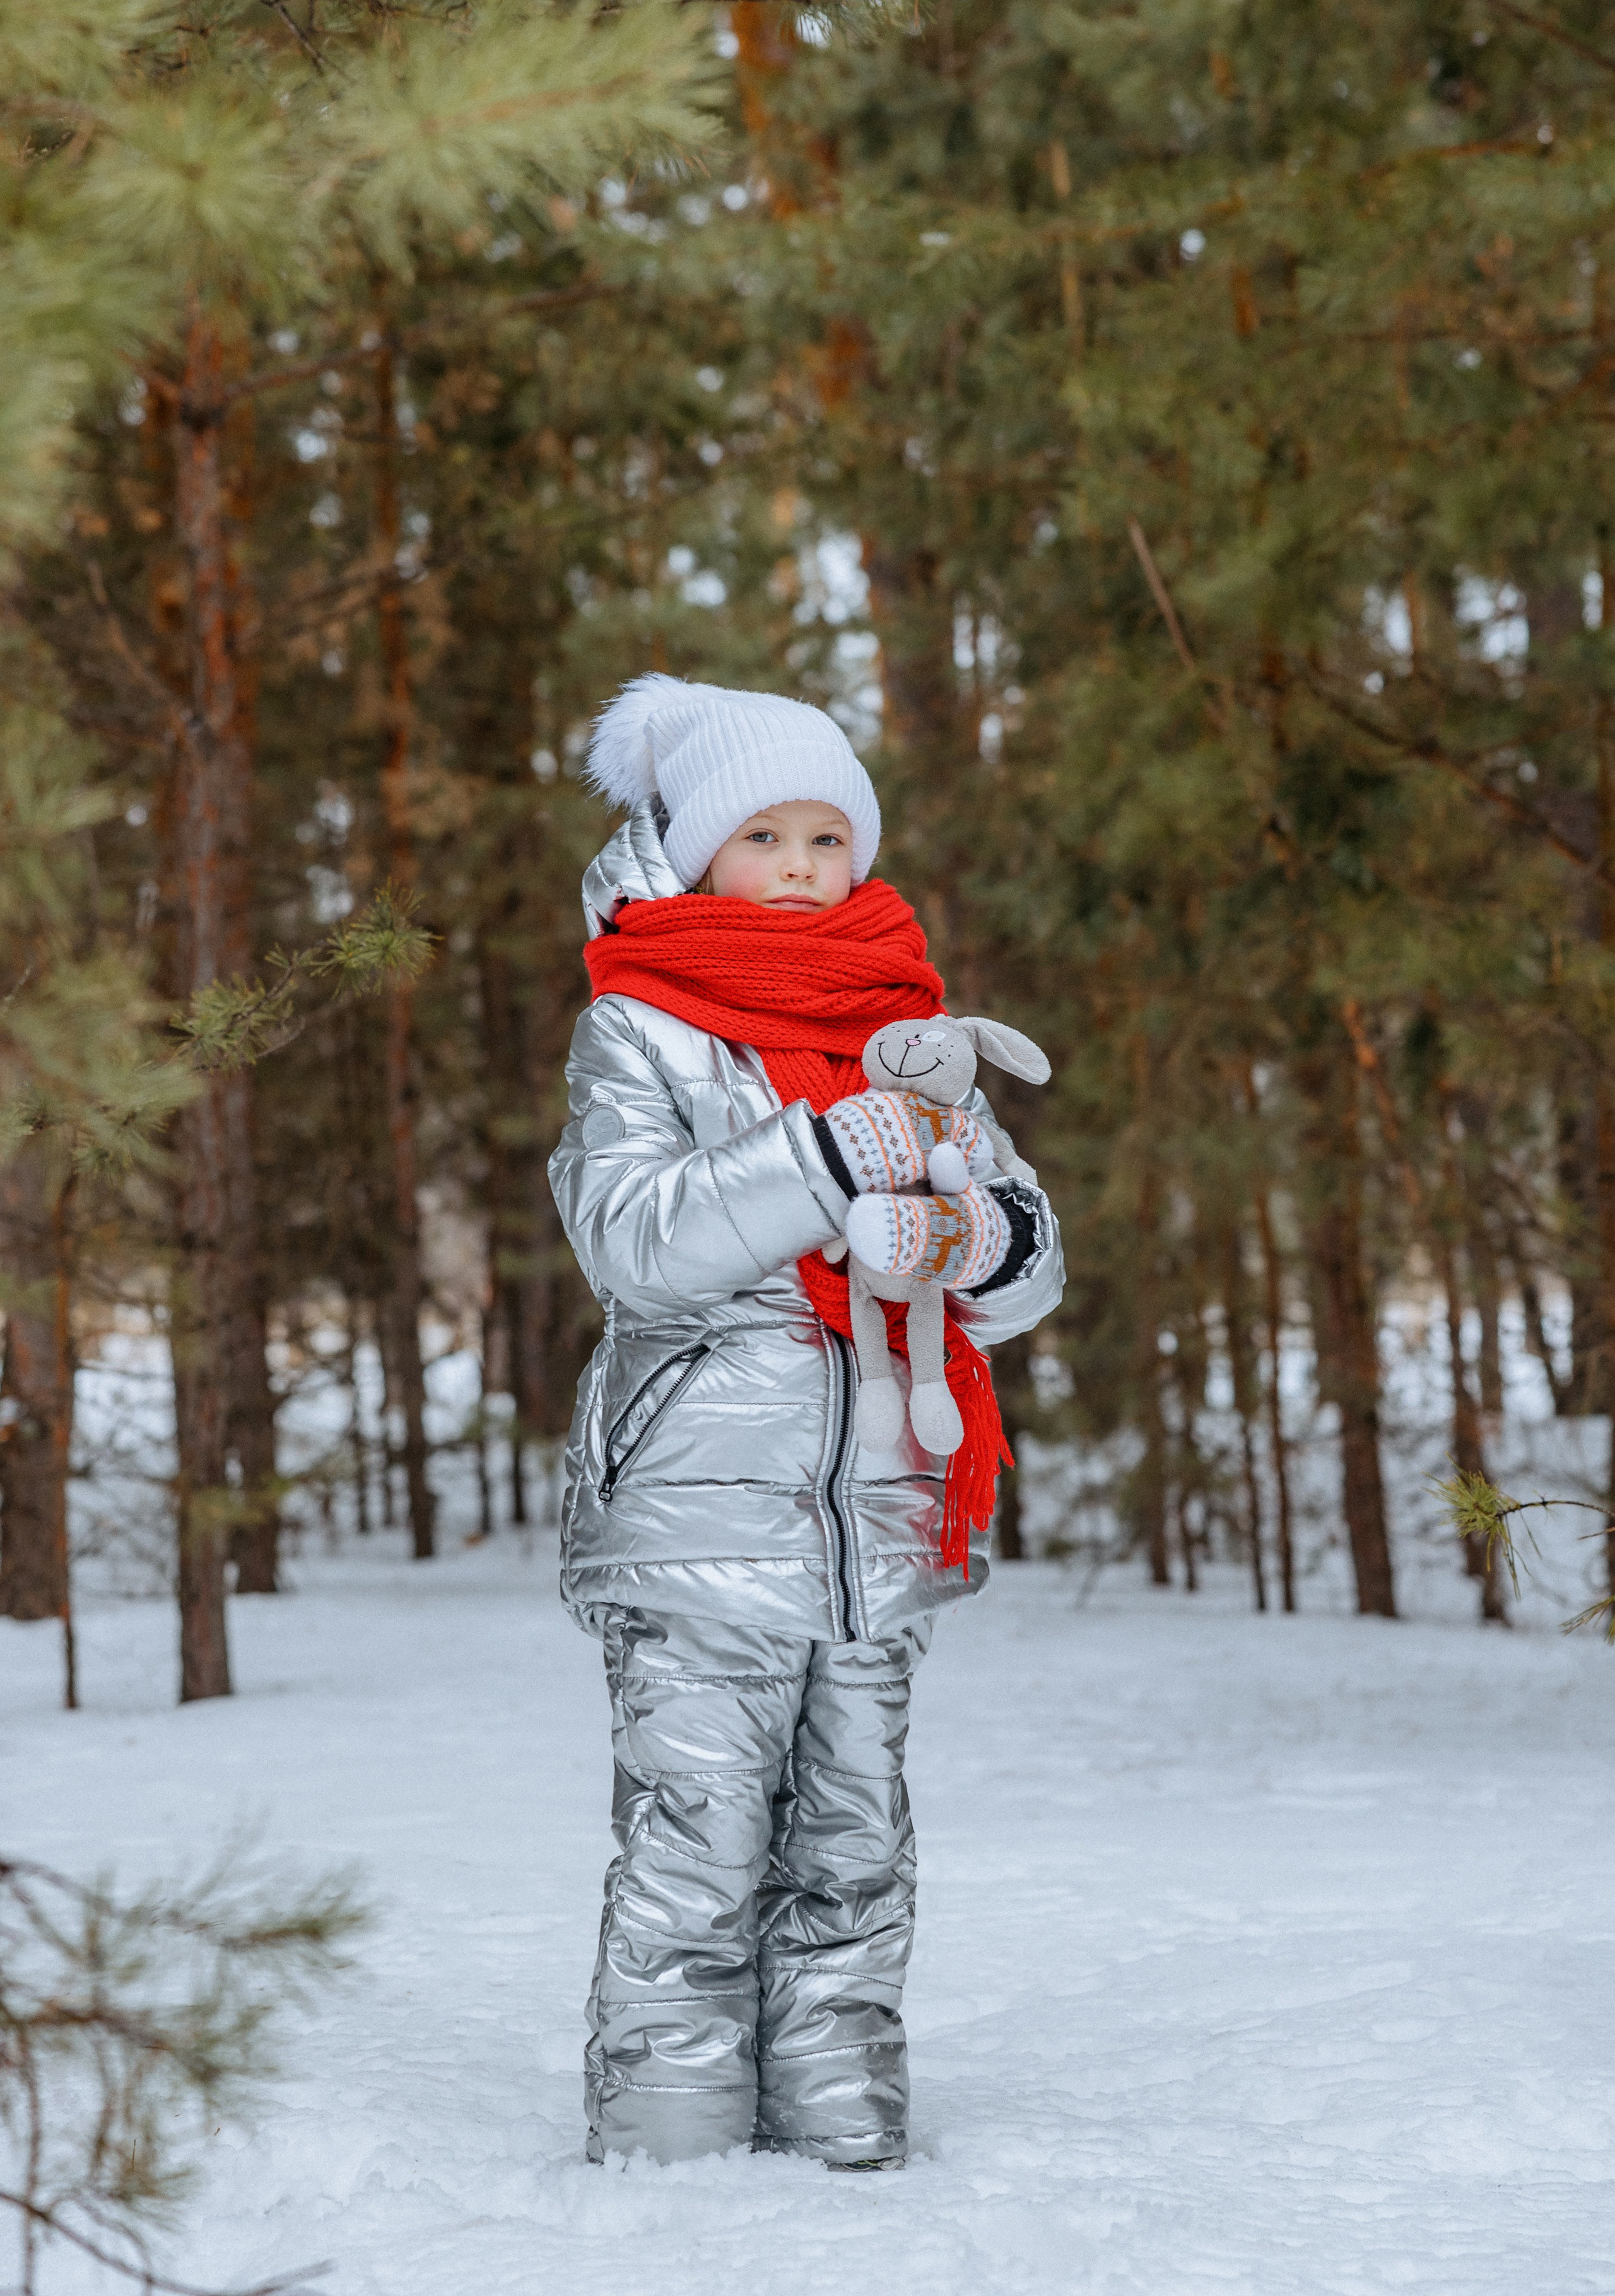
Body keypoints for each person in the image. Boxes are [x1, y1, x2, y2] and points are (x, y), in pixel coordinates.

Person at [548, 674, 1064, 2170]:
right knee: (695, 1848)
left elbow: (1025, 1260)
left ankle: (845, 2143)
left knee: (852, 1852)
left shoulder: (906, 1028)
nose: (794, 865)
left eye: (823, 836)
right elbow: (631, 1237)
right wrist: (829, 1153)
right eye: (760, 834)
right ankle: (674, 2159)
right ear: (699, 852)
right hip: (701, 1516)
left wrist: (968, 1242)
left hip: (878, 1520)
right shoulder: (639, 1027)